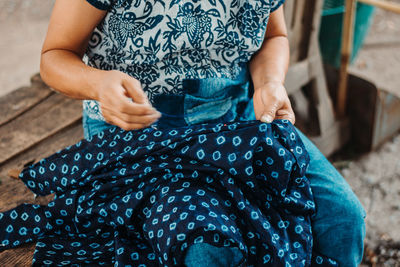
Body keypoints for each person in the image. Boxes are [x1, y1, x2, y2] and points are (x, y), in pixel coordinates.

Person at [39, 0, 366, 266]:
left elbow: (273, 36)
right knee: (208, 250)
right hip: (139, 139)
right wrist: (98, 85)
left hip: (234, 123)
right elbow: (55, 55)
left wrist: (269, 83)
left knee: (342, 222)